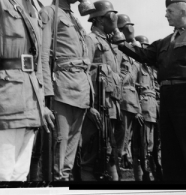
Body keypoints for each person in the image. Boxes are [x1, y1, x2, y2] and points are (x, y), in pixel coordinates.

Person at [118, 0, 186, 181]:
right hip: (167, 98)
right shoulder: (164, 41)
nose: (166, 15)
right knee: (170, 150)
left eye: (169, 11)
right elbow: (144, 55)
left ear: (182, 12)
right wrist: (122, 44)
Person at [0, 0, 54, 181]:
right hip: (2, 106)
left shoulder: (31, 6)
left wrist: (42, 105)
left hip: (30, 106)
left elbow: (37, 61)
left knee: (19, 178)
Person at [39, 0, 95, 181]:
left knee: (72, 145)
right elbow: (43, 56)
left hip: (81, 88)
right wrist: (47, 91)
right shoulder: (49, 12)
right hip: (61, 87)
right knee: (60, 142)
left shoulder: (73, 18)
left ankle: (64, 181)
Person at [80, 0, 124, 181]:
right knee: (91, 156)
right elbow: (83, 72)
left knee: (111, 156)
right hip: (97, 107)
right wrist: (89, 105)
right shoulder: (91, 40)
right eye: (110, 16)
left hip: (112, 108)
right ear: (99, 20)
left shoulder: (109, 43)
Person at [116, 14, 142, 177]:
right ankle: (117, 171)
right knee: (121, 139)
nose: (131, 29)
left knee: (127, 139)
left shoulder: (131, 51)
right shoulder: (118, 50)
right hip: (123, 99)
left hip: (132, 101)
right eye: (127, 27)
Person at [134, 35, 163, 181]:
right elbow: (132, 88)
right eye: (142, 47)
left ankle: (156, 171)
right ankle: (146, 175)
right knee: (146, 144)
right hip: (144, 109)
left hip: (155, 110)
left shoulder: (152, 69)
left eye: (146, 47)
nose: (145, 49)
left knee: (156, 143)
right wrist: (137, 109)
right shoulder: (137, 67)